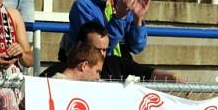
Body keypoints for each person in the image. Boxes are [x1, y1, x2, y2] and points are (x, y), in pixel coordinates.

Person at [61, 0, 182, 82]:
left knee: (150, 75)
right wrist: (119, 17)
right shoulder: (82, 6)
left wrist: (137, 19)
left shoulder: (121, 3)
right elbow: (98, 48)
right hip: (93, 70)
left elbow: (137, 47)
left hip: (119, 66)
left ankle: (175, 81)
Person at [43, 21, 183, 81]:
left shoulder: (115, 63)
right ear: (82, 46)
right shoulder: (60, 70)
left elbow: (147, 73)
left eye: (105, 49)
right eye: (97, 50)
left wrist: (173, 77)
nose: (102, 54)